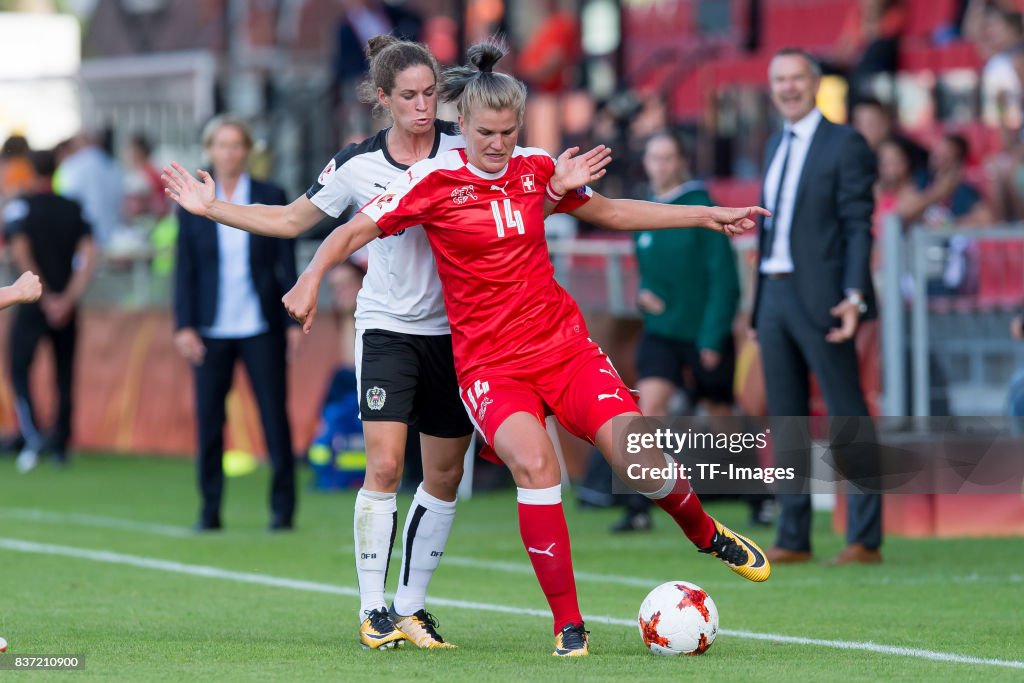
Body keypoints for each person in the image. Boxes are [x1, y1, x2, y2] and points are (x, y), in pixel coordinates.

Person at [177, 38, 772, 657]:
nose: (496, 143)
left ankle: (704, 534)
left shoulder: (530, 165)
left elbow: (610, 212)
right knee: (501, 467)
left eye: (507, 132)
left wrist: (704, 215)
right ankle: (544, 623)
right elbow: (332, 227)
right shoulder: (415, 177)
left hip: (543, 345)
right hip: (465, 354)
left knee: (617, 457)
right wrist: (304, 271)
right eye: (485, 131)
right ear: (449, 120)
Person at [165, 37, 478, 650]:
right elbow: (289, 220)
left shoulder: (467, 148)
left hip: (457, 332)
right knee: (386, 464)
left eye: (430, 93)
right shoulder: (356, 164)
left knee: (442, 475)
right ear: (382, 98)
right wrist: (213, 209)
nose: (422, 106)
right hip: (387, 328)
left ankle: (413, 608)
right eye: (409, 96)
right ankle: (372, 609)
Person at [752, 48, 882, 566]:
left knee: (847, 413)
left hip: (825, 296)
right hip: (774, 294)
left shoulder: (845, 143)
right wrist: (758, 307)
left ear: (814, 83)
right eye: (778, 79)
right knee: (786, 419)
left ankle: (865, 539)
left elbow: (858, 225)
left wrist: (853, 296)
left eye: (796, 78)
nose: (787, 87)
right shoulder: (772, 145)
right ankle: (793, 535)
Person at [611, 132, 746, 533]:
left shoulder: (701, 207)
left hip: (703, 332)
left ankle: (760, 497)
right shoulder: (643, 210)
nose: (661, 166)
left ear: (682, 161)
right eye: (654, 158)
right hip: (662, 332)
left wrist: (711, 336)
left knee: (723, 421)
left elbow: (725, 279)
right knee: (647, 411)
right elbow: (649, 275)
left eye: (668, 158)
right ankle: (639, 506)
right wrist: (644, 296)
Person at [173, 115, 299, 534]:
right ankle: (209, 511)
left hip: (261, 325)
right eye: (221, 144)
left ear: (247, 150)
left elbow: (286, 263)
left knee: (273, 417)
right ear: (210, 150)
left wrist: (292, 322)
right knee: (210, 423)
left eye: (236, 144)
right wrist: (185, 325)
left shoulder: (269, 194)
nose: (229, 152)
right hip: (211, 329)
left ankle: (283, 511)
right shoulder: (193, 203)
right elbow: (184, 267)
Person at [4, 150, 97, 473]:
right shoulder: (74, 206)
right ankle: (61, 443)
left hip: (31, 303)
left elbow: (19, 250)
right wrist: (68, 298)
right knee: (65, 373)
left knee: (18, 369)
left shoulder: (21, 207)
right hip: (66, 305)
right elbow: (88, 254)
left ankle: (32, 436)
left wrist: (37, 294)